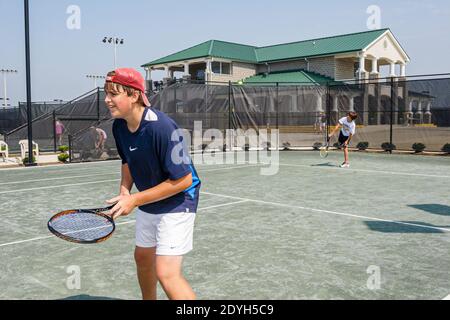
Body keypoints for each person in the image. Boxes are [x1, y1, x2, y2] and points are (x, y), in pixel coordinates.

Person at [104, 68, 201, 300]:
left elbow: (184, 179)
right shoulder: (119, 125)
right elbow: (127, 160)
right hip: (150, 199)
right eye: (106, 94)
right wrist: (124, 190)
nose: (107, 100)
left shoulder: (162, 127)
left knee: (166, 273)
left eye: (113, 94)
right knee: (143, 258)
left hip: (179, 201)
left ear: (134, 95)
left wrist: (135, 199)